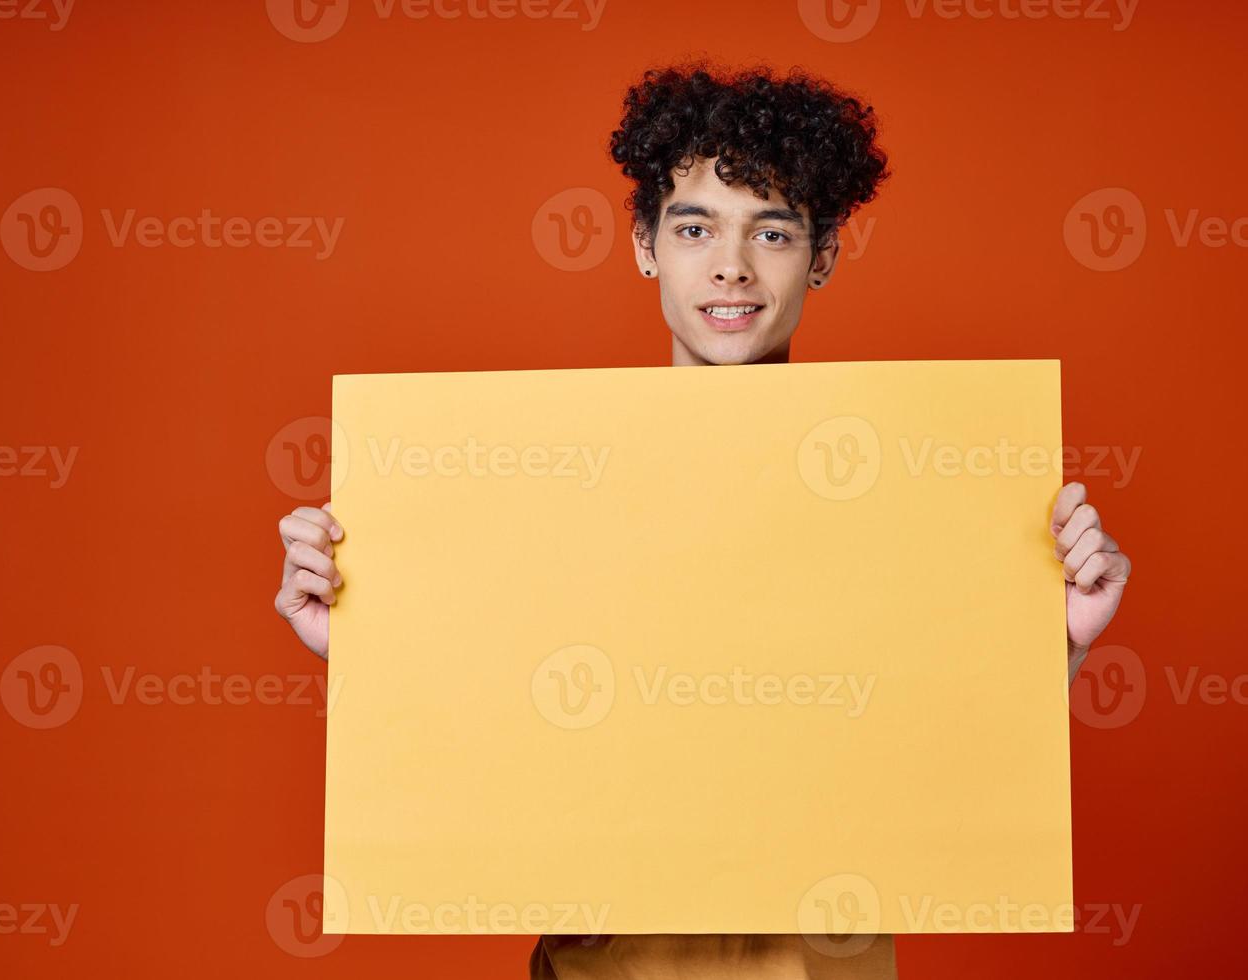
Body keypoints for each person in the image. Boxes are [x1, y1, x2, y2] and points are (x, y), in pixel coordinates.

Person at [274, 62, 1132, 980]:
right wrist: (366, 641)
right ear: (645, 243)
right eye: (694, 228)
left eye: (772, 230)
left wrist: (1056, 645)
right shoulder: (549, 484)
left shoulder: (901, 489)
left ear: (826, 252)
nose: (731, 265)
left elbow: (923, 737)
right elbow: (506, 715)